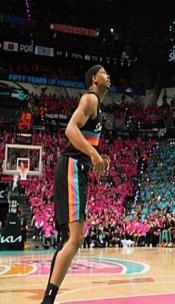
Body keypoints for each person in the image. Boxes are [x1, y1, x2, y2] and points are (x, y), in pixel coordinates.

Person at [41, 65, 110, 304]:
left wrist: (99, 157)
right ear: (94, 79)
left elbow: (85, 139)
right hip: (72, 167)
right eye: (104, 72)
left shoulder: (98, 106)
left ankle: (48, 300)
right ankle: (47, 300)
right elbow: (70, 129)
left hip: (76, 168)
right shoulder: (90, 99)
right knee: (75, 238)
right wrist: (93, 154)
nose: (108, 76)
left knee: (69, 239)